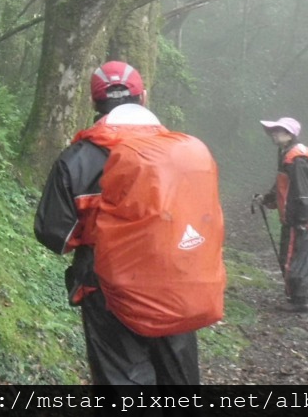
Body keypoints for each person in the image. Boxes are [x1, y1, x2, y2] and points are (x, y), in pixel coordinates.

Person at [34, 61, 202, 385]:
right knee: (179, 381)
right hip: (176, 283)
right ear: (144, 97)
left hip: (108, 289)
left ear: (93, 103)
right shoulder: (182, 152)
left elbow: (53, 234)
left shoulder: (76, 159)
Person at [257, 117, 308, 312]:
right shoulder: (290, 153)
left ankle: (300, 301)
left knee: (295, 257)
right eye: (274, 130)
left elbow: (304, 191)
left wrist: (301, 220)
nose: (273, 134)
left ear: (289, 134)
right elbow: (284, 184)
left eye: (278, 131)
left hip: (301, 218)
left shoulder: (296, 158)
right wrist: (267, 199)